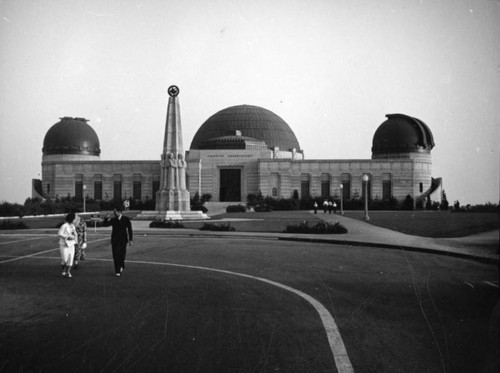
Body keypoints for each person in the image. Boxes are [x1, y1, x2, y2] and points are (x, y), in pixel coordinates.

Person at [103, 208, 133, 277]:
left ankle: (122, 265)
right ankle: (117, 270)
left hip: (123, 240)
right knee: (115, 255)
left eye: (115, 212)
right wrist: (106, 218)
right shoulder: (113, 219)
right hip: (115, 240)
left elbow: (129, 229)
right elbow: (105, 224)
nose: (114, 213)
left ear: (119, 212)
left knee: (122, 254)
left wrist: (131, 239)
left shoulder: (126, 219)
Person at [58, 212, 77, 278]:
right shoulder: (64, 226)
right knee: (65, 259)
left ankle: (68, 272)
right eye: (74, 218)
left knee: (71, 258)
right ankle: (63, 268)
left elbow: (75, 234)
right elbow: (60, 233)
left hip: (71, 244)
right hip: (64, 244)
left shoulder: (73, 226)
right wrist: (67, 236)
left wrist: (75, 238)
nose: (75, 220)